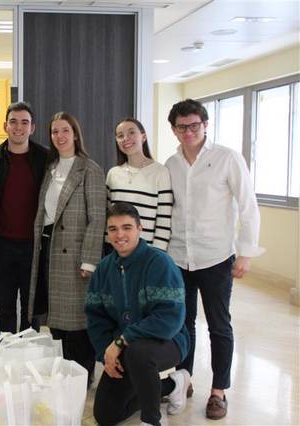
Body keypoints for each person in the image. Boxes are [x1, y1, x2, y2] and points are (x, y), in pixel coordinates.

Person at [166, 99, 263, 420]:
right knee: (183, 324)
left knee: (219, 326)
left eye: (194, 125)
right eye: (182, 127)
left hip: (216, 257)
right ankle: (185, 379)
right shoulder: (171, 164)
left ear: (205, 124)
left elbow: (248, 206)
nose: (189, 131)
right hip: (179, 256)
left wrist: (246, 252)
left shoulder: (227, 158)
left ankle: (219, 391)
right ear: (174, 130)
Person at [86, 202, 191, 426]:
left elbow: (169, 319)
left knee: (139, 353)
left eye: (127, 227)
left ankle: (151, 420)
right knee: (106, 415)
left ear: (140, 229)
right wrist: (107, 352)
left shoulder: (159, 263)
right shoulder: (103, 269)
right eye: (113, 229)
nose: (119, 234)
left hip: (168, 341)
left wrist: (122, 341)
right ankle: (173, 385)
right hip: (124, 346)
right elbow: (96, 318)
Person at [27, 111, 106, 385]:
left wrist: (89, 260)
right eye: (54, 131)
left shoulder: (90, 169)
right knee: (57, 318)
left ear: (75, 134)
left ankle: (83, 375)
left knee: (78, 320)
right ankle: (66, 374)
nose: (59, 136)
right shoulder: (50, 169)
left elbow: (98, 218)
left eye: (65, 130)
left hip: (75, 255)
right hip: (50, 248)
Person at [0, 101, 47, 333]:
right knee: (4, 307)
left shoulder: (45, 159)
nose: (18, 127)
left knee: (32, 309)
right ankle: (5, 356)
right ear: (5, 126)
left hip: (34, 246)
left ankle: (30, 356)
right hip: (1, 246)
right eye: (13, 122)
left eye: (24, 122)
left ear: (32, 128)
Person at [106, 118, 172, 251]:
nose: (125, 138)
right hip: (116, 249)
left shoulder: (160, 172)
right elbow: (108, 216)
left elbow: (164, 219)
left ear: (143, 136)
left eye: (131, 133)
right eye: (120, 135)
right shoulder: (113, 173)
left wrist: (157, 254)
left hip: (147, 251)